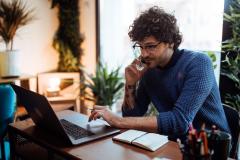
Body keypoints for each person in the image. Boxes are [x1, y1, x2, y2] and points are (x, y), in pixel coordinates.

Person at [88, 6, 230, 140]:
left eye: (150, 46)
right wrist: (130, 84)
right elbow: (132, 115)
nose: (143, 54)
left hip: (211, 146)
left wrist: (117, 120)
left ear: (170, 42)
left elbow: (179, 122)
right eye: (140, 47)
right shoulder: (149, 69)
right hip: (174, 143)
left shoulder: (198, 63)